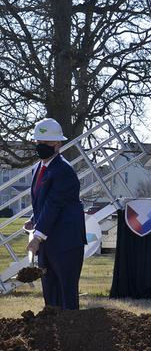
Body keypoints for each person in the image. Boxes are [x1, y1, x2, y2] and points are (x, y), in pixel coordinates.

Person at [24, 117, 87, 310]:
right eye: (38, 142)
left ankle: (73, 335)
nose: (40, 146)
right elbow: (43, 202)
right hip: (47, 244)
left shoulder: (64, 171)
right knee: (50, 296)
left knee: (66, 294)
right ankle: (52, 336)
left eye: (45, 143)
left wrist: (37, 237)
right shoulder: (38, 168)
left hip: (66, 243)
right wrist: (34, 220)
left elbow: (55, 204)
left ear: (57, 144)